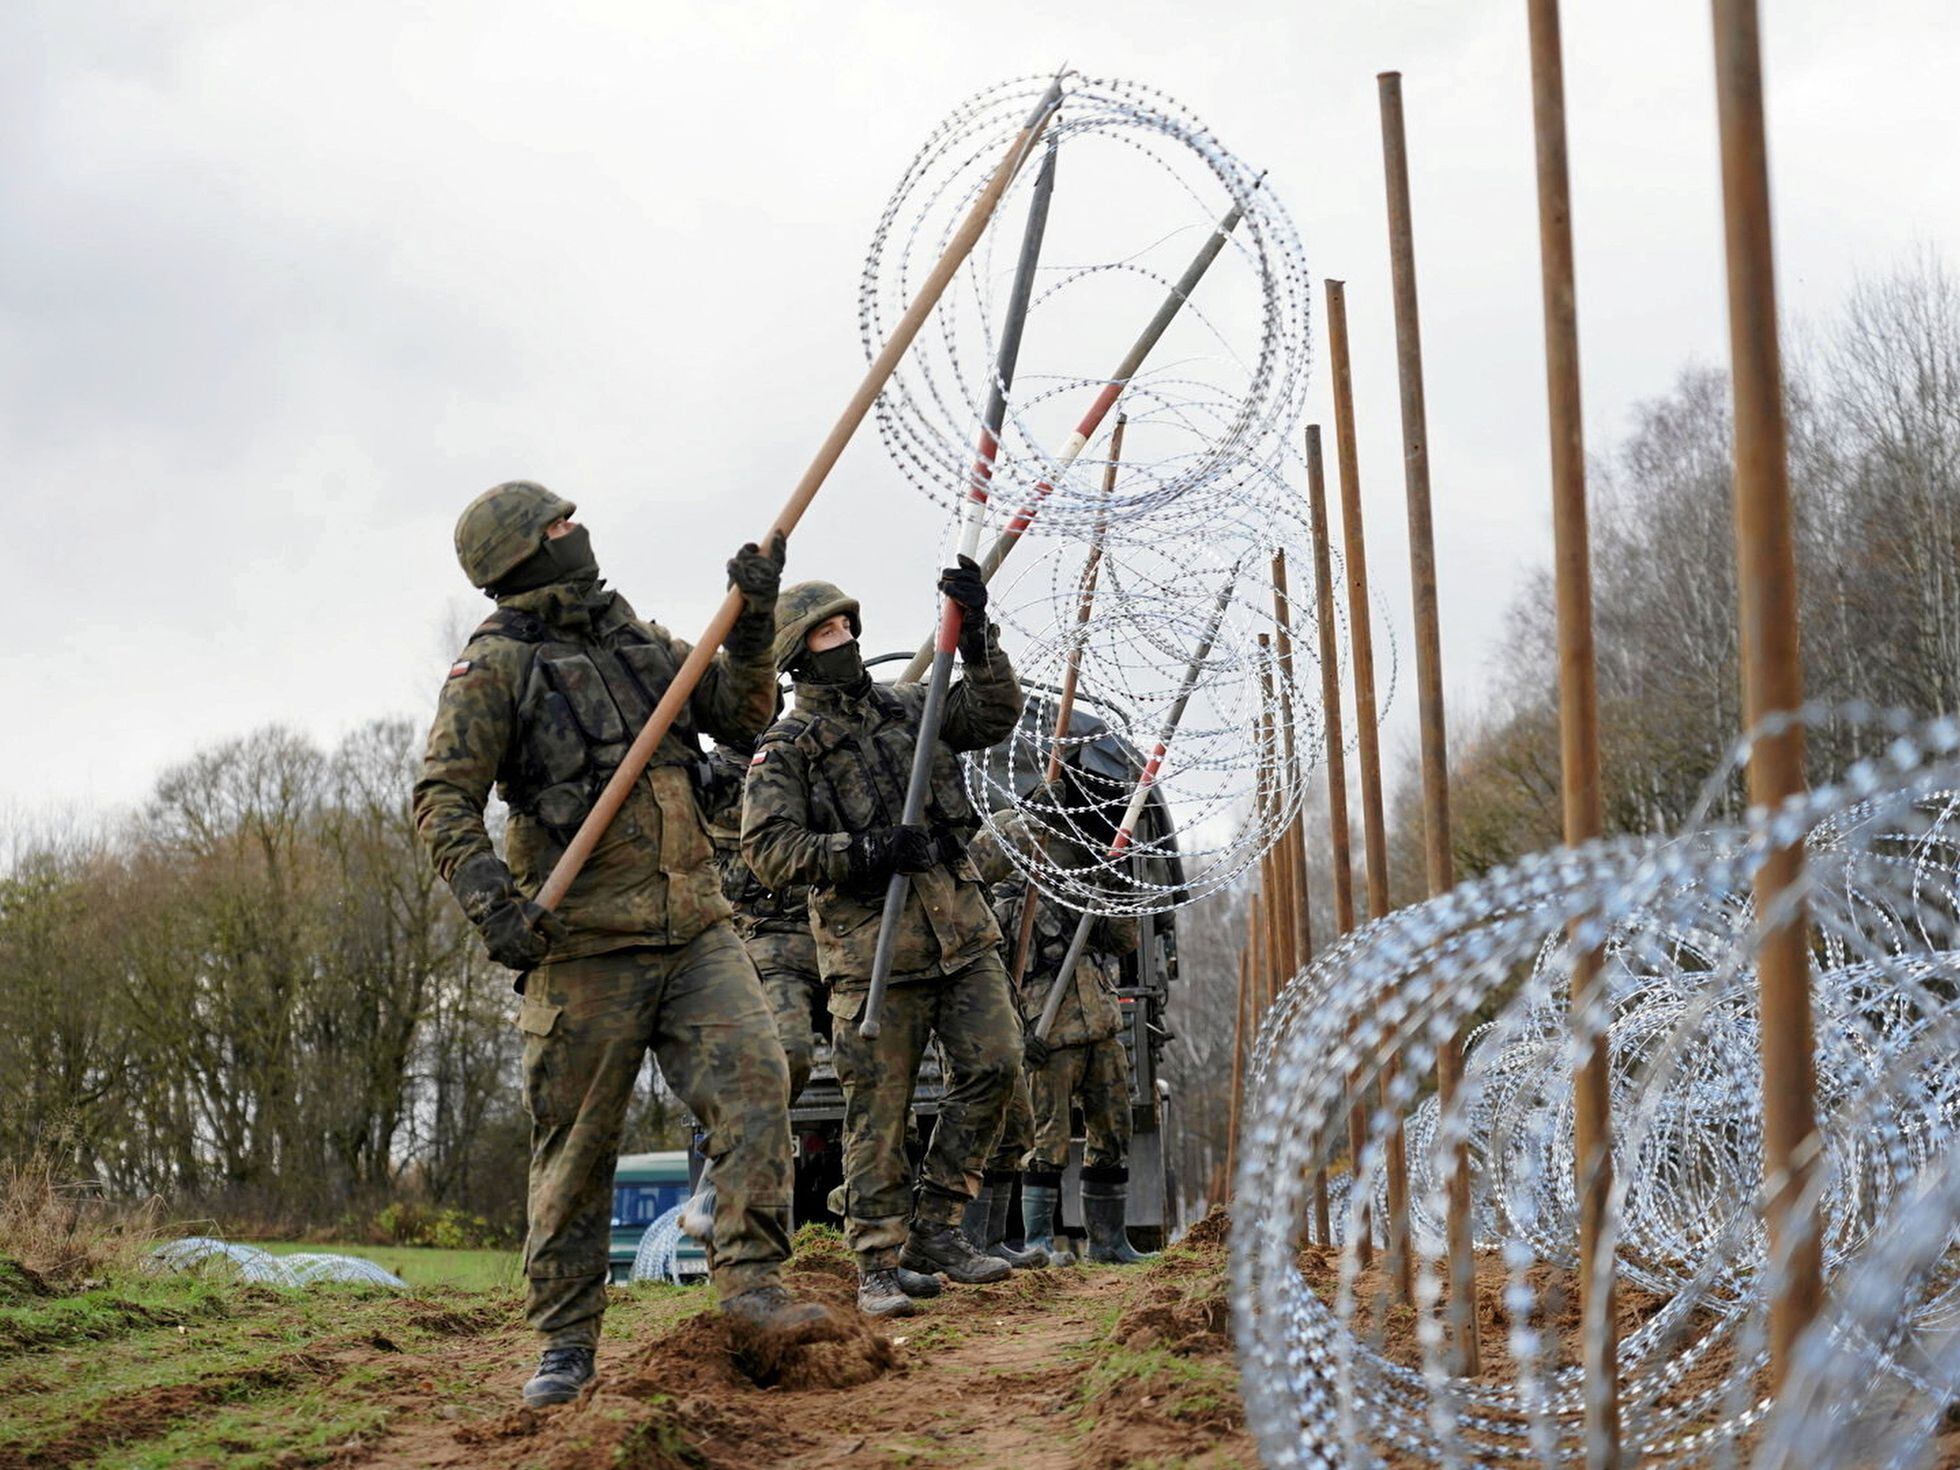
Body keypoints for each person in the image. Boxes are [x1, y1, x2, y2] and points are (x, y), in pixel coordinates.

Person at [413, 480, 832, 1408]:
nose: (579, 533)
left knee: (759, 1079)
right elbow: (442, 798)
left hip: (695, 928)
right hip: (582, 947)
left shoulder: (635, 639)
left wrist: (754, 616)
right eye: (559, 526)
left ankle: (754, 1286)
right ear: (519, 555)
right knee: (577, 1148)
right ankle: (565, 1342)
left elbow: (741, 711)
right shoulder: (497, 667)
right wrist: (496, 907)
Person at [742, 567, 1025, 1318]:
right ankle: (875, 1259)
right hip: (872, 957)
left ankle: (937, 1229)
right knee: (879, 1112)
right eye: (827, 632)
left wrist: (977, 634)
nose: (845, 640)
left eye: (847, 627)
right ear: (798, 655)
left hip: (959, 932)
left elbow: (992, 715)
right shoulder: (788, 747)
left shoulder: (910, 708)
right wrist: (866, 853)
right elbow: (769, 849)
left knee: (996, 1063)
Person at [972, 772, 1152, 1265]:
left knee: (1112, 1131)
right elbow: (999, 956)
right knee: (1045, 1141)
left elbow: (1122, 942)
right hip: (1048, 1030)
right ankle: (1038, 1243)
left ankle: (1109, 1243)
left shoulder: (1085, 872)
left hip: (1100, 1024)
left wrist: (1112, 893)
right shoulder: (1012, 882)